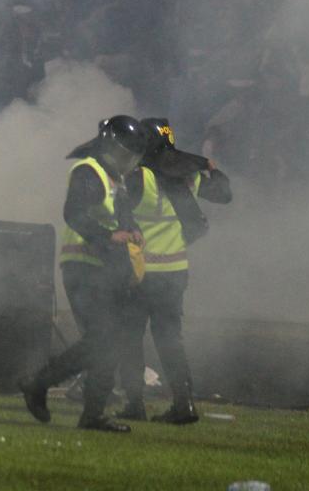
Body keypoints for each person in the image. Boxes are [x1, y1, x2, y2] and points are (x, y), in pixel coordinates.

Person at [18, 115, 148, 433]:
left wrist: (133, 230)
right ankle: (39, 383)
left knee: (109, 342)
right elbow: (73, 213)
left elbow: (124, 214)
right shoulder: (89, 171)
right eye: (125, 154)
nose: (128, 161)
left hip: (106, 269)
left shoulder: (115, 178)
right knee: (103, 339)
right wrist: (107, 237)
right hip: (84, 266)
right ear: (109, 147)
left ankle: (92, 414)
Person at [116, 118, 231, 424]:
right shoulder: (186, 177)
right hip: (175, 272)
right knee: (170, 340)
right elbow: (224, 194)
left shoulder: (139, 177)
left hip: (140, 273)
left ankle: (134, 403)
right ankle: (184, 404)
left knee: (130, 338)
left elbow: (116, 212)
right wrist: (212, 168)